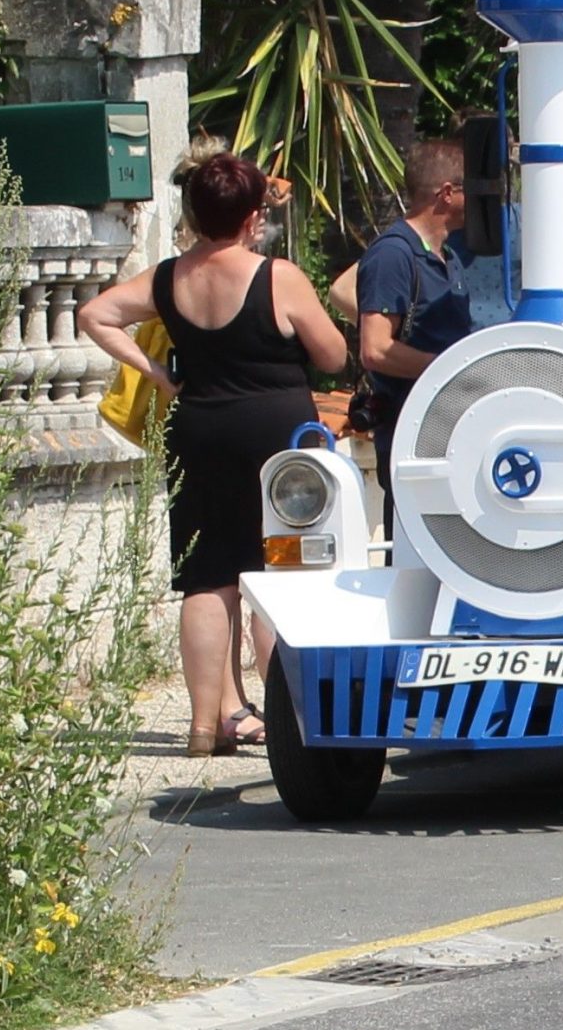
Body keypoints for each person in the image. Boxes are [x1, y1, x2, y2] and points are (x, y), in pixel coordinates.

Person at [83, 153, 346, 756]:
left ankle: (205, 725)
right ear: (253, 216)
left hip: (199, 425)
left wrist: (161, 374)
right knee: (284, 571)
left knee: (207, 578)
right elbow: (331, 356)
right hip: (276, 433)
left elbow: (95, 313)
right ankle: (290, 717)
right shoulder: (276, 276)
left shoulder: (167, 277)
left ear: (194, 213)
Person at [344, 140, 474, 535]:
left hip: (450, 427)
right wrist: (448, 368)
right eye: (469, 187)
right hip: (410, 430)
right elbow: (376, 349)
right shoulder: (393, 255)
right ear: (446, 193)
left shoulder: (446, 255)